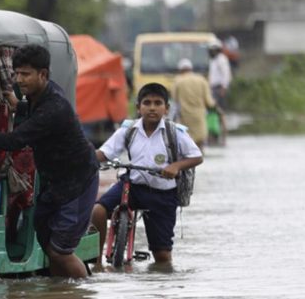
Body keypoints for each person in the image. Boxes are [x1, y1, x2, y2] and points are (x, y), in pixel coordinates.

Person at [0, 44, 99, 279]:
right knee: (49, 246)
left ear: (43, 75)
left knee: (61, 252)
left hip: (77, 183)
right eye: (16, 73)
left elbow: (13, 141)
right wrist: (18, 105)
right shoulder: (39, 97)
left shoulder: (54, 107)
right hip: (54, 182)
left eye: (25, 74)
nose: (19, 79)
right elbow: (33, 111)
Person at [91, 83, 203, 265]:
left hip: (163, 195)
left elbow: (197, 156)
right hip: (132, 187)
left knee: (162, 257)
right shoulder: (128, 130)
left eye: (158, 103)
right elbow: (104, 153)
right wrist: (84, 157)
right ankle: (97, 263)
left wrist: (175, 166)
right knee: (98, 210)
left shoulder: (175, 132)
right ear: (138, 107)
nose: (152, 107)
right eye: (147, 103)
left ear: (166, 109)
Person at [171, 58, 215, 152]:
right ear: (191, 68)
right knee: (200, 139)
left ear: (180, 70)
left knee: (186, 141)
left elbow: (174, 99)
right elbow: (209, 101)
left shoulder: (178, 81)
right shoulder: (201, 80)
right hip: (199, 115)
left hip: (184, 116)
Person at [208, 39, 231, 144]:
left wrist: (224, 88)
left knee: (220, 112)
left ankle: (224, 137)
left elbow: (226, 74)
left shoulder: (221, 59)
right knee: (214, 112)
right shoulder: (213, 60)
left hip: (219, 88)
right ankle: (215, 137)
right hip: (213, 88)